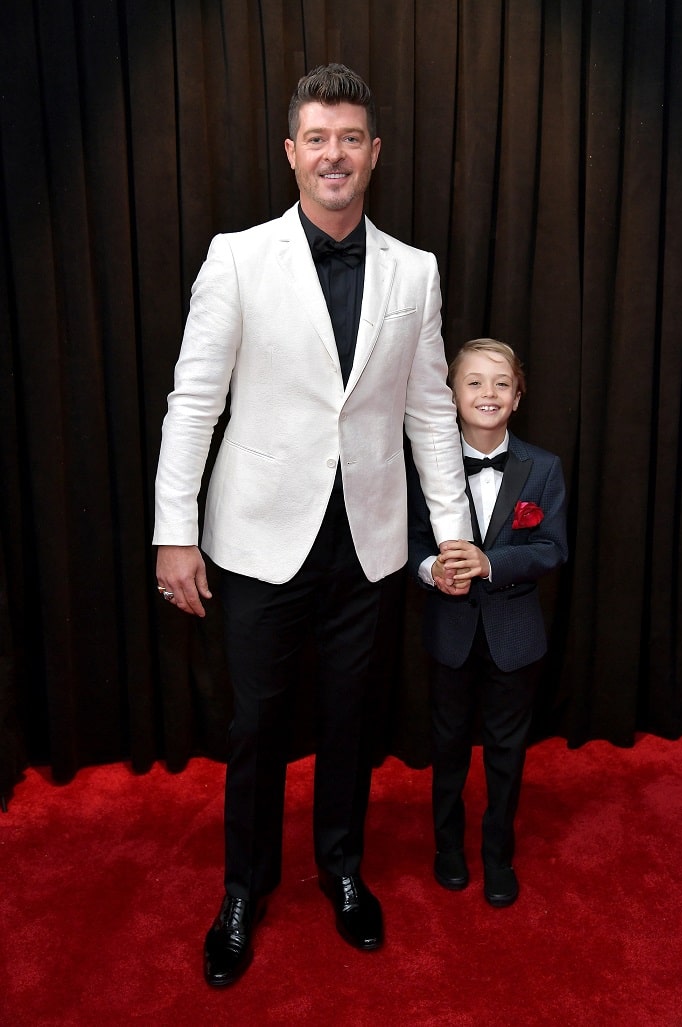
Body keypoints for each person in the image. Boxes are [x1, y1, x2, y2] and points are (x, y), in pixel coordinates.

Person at [153, 63, 473, 987]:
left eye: (351, 139)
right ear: (292, 151)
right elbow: (193, 402)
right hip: (255, 541)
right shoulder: (237, 256)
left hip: (368, 542)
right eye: (317, 138)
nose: (335, 155)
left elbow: (429, 414)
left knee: (349, 720)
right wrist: (176, 531)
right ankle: (244, 889)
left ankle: (341, 868)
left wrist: (452, 530)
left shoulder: (416, 271)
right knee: (256, 724)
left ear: (374, 154)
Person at [407, 338, 568, 908]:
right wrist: (432, 571)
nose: (488, 393)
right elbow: (409, 543)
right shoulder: (423, 465)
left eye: (501, 383)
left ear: (518, 397)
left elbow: (552, 548)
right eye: (473, 382)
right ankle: (447, 846)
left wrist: (491, 563)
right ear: (450, 396)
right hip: (449, 632)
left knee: (507, 749)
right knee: (447, 744)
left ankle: (498, 851)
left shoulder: (542, 467)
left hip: (515, 637)